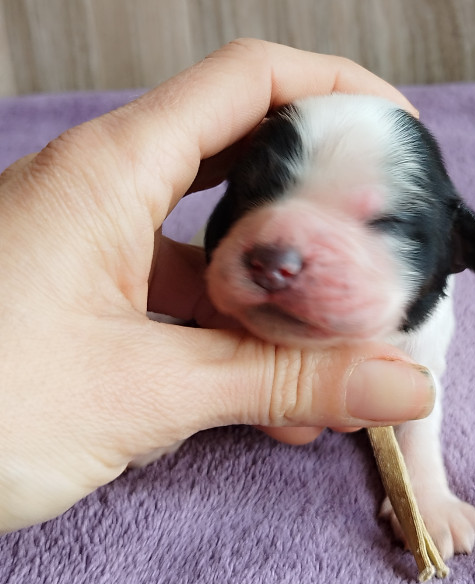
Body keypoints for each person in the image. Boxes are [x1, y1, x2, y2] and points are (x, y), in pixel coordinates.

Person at [0, 39, 436, 534]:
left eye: (380, 222)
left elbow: (429, 376)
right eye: (260, 196)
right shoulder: (219, 260)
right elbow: (187, 315)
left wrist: (427, 487)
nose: (283, 257)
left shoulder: (428, 307)